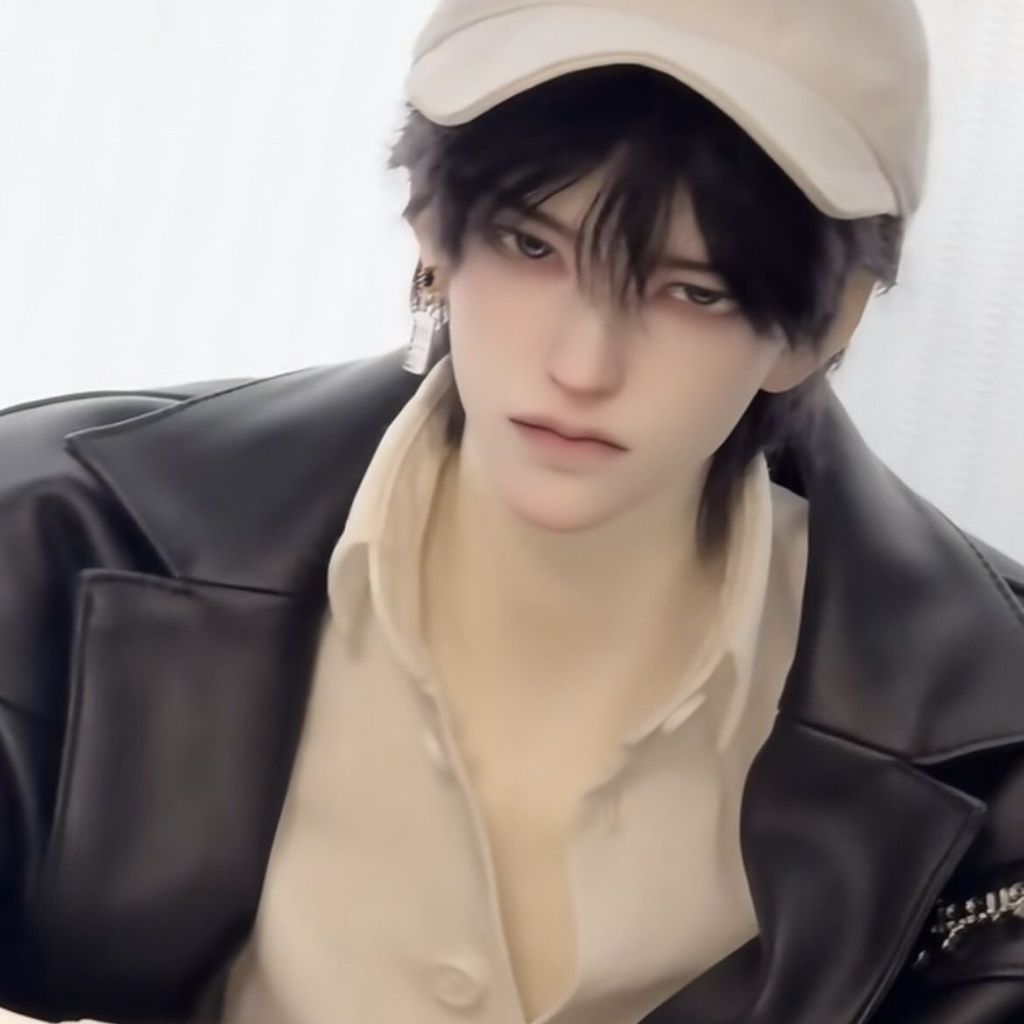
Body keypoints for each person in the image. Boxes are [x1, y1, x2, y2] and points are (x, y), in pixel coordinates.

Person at [1, 0, 1023, 1022]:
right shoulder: (49, 539)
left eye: (693, 291)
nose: (583, 366)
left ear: (826, 322)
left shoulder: (996, 732)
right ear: (430, 223)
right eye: (530, 245)